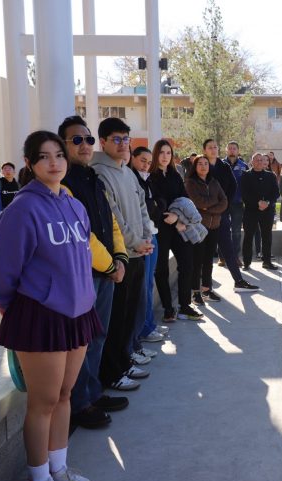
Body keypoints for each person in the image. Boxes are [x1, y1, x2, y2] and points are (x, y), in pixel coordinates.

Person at [0, 130, 98, 481]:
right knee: (43, 401)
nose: (54, 162)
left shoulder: (75, 206)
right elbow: (0, 273)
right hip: (40, 315)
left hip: (77, 313)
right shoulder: (21, 209)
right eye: (44, 156)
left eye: (59, 155)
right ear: (30, 163)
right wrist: (10, 308)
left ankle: (58, 469)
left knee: (64, 395)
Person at [58, 115, 131, 429]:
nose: (85, 145)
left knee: (98, 336)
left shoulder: (92, 178)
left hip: (105, 271)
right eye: (76, 140)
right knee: (82, 342)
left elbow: (110, 221)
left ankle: (92, 392)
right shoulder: (63, 184)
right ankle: (79, 404)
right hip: (83, 274)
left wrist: (120, 256)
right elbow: (81, 234)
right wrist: (111, 265)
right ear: (62, 145)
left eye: (88, 139)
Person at [90, 117, 154, 391]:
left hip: (139, 252)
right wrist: (134, 242)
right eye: (116, 139)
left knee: (129, 315)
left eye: (125, 139)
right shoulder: (99, 173)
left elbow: (141, 205)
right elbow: (113, 215)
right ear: (103, 141)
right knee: (116, 319)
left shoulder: (127, 171)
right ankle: (111, 372)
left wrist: (146, 236)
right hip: (121, 257)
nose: (122, 144)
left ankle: (124, 361)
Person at [149, 139, 204, 320]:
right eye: (161, 152)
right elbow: (154, 205)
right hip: (160, 228)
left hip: (179, 227)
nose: (165, 156)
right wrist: (173, 220)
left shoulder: (175, 175)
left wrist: (179, 220)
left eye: (168, 153)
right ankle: (168, 308)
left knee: (187, 265)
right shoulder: (150, 177)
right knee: (162, 269)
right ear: (155, 154)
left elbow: (184, 199)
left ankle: (185, 306)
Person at [202, 138, 260, 292]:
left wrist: (223, 205)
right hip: (205, 216)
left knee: (228, 248)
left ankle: (239, 281)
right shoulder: (201, 164)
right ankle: (204, 288)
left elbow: (233, 186)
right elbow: (194, 188)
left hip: (222, 213)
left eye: (215, 147)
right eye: (210, 147)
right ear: (204, 150)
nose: (213, 149)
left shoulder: (224, 166)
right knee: (206, 253)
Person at [128, 146, 169, 343]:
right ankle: (144, 328)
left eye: (148, 161)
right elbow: (147, 207)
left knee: (149, 282)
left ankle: (149, 323)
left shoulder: (147, 179)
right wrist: (155, 205)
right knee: (143, 285)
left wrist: (156, 205)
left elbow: (160, 203)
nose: (146, 165)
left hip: (153, 234)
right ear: (133, 158)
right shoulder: (131, 179)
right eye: (142, 160)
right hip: (141, 238)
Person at [185, 154, 228, 305]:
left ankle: (206, 289)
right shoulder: (190, 183)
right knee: (197, 260)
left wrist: (209, 208)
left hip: (214, 226)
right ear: (195, 166)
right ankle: (195, 292)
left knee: (209, 260)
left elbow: (224, 201)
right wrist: (214, 203)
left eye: (206, 164)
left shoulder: (214, 182)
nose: (203, 166)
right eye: (200, 164)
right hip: (199, 227)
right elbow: (198, 202)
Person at [241, 152, 280, 270]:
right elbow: (244, 193)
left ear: (264, 162)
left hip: (267, 211)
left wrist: (267, 202)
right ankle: (247, 262)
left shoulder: (271, 175)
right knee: (248, 237)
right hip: (251, 211)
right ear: (252, 162)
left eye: (261, 160)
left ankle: (267, 261)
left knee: (267, 236)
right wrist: (257, 203)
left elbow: (276, 193)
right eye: (256, 160)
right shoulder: (246, 175)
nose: (259, 162)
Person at [223, 141, 249, 264]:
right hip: (222, 203)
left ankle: (235, 257)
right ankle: (223, 257)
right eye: (230, 148)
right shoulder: (220, 164)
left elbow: (248, 185)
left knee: (236, 231)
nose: (232, 150)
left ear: (238, 151)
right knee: (223, 230)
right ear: (226, 150)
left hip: (238, 203)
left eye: (234, 148)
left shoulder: (244, 166)